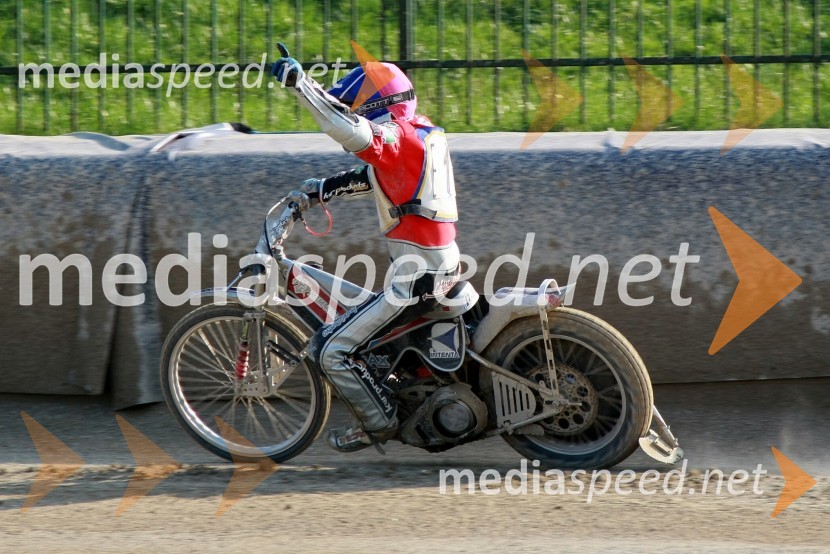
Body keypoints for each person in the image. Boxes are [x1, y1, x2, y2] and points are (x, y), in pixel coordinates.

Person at [272, 51, 460, 452]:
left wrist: (302, 87)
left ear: (378, 107)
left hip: (417, 280)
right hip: (438, 268)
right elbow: (375, 175)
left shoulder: (396, 136)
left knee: (330, 348)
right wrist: (322, 189)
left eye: (359, 108)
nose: (356, 115)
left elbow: (350, 131)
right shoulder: (422, 133)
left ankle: (380, 424)